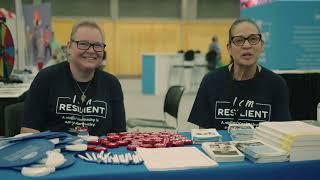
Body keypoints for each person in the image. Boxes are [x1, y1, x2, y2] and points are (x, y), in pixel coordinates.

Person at [21, 20, 126, 136]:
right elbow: (29, 131)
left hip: (99, 153)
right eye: (83, 44)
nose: (91, 51)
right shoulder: (46, 79)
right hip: (54, 152)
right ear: (69, 47)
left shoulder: (111, 84)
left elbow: (119, 135)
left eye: (97, 45)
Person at [188, 18, 291, 130]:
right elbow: (203, 133)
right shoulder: (211, 81)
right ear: (229, 48)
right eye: (239, 40)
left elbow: (282, 132)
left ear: (261, 46)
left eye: (253, 39)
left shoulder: (276, 84)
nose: (247, 45)